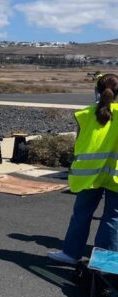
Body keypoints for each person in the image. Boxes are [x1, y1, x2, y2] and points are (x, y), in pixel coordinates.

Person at [48, 74, 118, 265]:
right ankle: (104, 263)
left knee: (82, 213)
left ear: (97, 90)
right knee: (112, 218)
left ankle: (71, 253)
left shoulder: (85, 115)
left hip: (89, 175)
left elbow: (80, 143)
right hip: (115, 176)